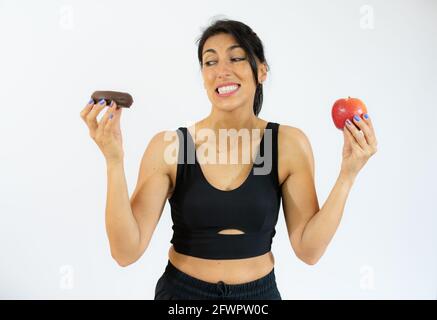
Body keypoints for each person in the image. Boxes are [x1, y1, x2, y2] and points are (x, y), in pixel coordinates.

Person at [80, 19, 378, 300]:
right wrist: (113, 159)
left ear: (261, 71)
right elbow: (125, 252)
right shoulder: (171, 146)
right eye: (210, 61)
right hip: (182, 296)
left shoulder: (287, 144)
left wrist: (347, 175)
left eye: (235, 58)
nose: (221, 70)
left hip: (257, 298)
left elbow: (308, 250)